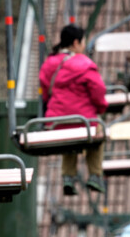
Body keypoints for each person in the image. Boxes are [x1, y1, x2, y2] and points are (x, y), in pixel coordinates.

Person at [39, 24, 107, 196]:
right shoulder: (85, 64)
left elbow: (45, 88)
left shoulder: (50, 63)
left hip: (56, 123)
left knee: (68, 139)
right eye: (83, 42)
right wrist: (100, 108)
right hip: (84, 123)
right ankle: (95, 174)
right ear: (76, 43)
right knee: (96, 133)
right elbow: (98, 90)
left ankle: (68, 176)